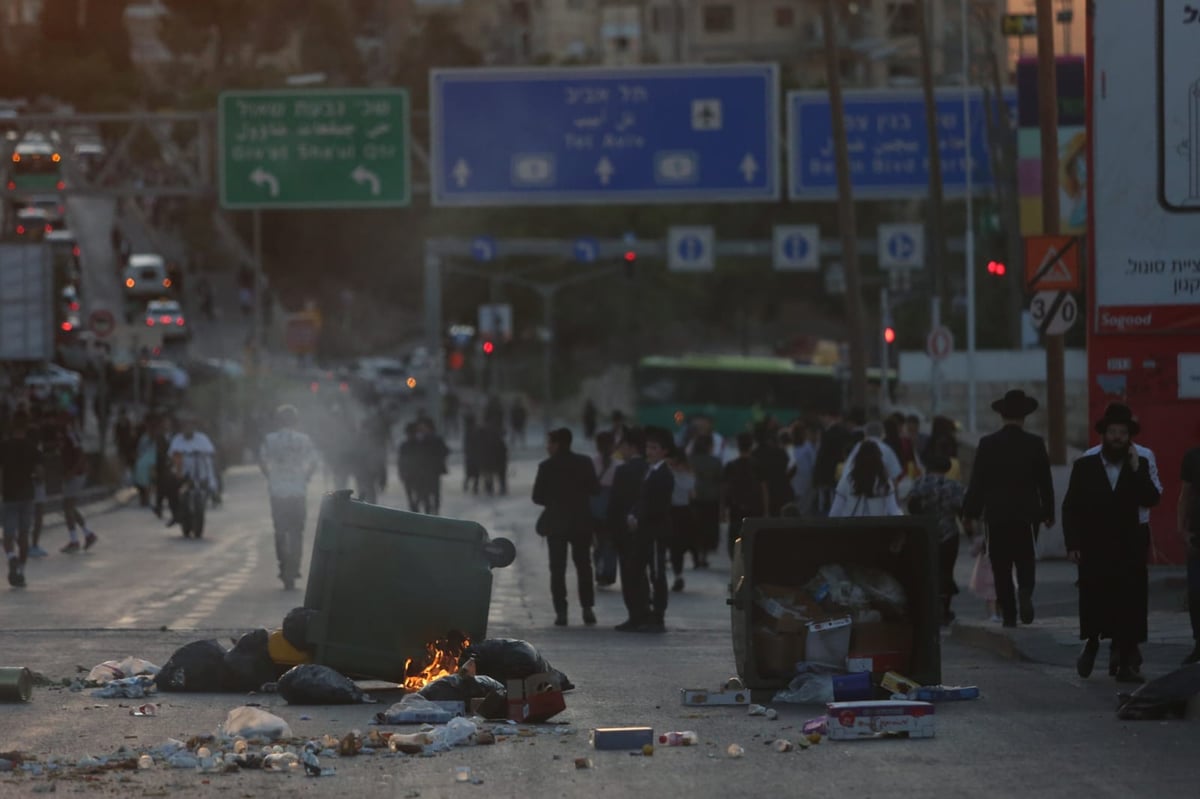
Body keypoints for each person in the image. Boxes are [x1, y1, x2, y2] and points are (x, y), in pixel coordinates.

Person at [1063, 403, 1161, 683]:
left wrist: (1135, 469)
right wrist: (1073, 543)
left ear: (1129, 436)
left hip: (1129, 545)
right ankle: (1092, 644)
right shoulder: (1085, 465)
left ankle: (1127, 660)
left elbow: (1151, 498)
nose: (1117, 437)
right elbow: (1071, 506)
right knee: (1094, 598)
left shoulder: (1139, 462)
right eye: (1113, 432)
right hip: (1094, 545)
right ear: (1103, 434)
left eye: (1122, 432)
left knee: (1130, 602)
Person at [962, 390, 1055, 629]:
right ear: (1025, 417)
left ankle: (1010, 616)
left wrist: (970, 513)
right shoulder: (1035, 444)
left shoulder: (987, 444)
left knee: (1000, 566)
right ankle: (1024, 590)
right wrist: (1048, 512)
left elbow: (977, 482)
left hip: (996, 515)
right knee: (1026, 559)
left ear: (1001, 416)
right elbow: (1045, 481)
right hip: (1027, 514)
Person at [532, 428, 600, 627]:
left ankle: (561, 612)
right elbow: (595, 489)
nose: (547, 447)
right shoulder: (585, 462)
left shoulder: (546, 466)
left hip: (556, 524)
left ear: (559, 444)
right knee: (584, 566)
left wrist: (554, 502)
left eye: (550, 443)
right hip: (581, 522)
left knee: (558, 569)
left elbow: (537, 497)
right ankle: (587, 609)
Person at [259, 405, 320, 590]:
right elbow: (314, 462)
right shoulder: (304, 440)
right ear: (296, 421)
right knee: (297, 531)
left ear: (278, 421)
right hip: (298, 491)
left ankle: (283, 566)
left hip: (277, 491)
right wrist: (306, 477)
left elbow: (261, 460)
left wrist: (270, 477)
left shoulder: (269, 440)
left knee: (280, 529)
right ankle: (294, 568)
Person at [621, 427, 675, 633]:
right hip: (644, 532)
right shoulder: (650, 471)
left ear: (664, 451)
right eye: (648, 447)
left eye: (654, 448)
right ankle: (639, 614)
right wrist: (633, 514)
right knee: (635, 571)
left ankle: (657, 616)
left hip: (654, 533)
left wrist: (638, 518)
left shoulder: (663, 474)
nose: (649, 451)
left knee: (657, 574)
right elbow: (642, 500)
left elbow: (657, 506)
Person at [907, 451, 966, 624]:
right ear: (947, 468)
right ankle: (945, 610)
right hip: (949, 534)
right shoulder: (954, 486)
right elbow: (962, 510)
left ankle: (928, 609)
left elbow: (911, 506)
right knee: (946, 572)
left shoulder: (919, 483)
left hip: (925, 534)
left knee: (927, 570)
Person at [608, 428, 647, 630]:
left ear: (631, 447)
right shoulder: (649, 468)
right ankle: (646, 613)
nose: (619, 449)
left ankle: (635, 615)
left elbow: (615, 504)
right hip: (645, 528)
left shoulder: (624, 471)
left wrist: (610, 530)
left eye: (622, 445)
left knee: (629, 575)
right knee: (643, 574)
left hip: (624, 531)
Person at [2, 411, 42, 587]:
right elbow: (40, 473)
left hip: (9, 495)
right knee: (24, 534)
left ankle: (11, 557)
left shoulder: (4, 446)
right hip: (27, 494)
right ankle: (21, 571)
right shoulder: (32, 447)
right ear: (26, 428)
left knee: (8, 534)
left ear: (12, 427)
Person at [167, 414, 218, 536]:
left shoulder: (202, 439)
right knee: (169, 486)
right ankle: (175, 515)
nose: (187, 429)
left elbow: (211, 452)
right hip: (183, 475)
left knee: (213, 480)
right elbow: (171, 455)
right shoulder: (177, 440)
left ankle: (215, 495)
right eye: (185, 427)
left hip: (200, 474)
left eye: (190, 426)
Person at [721, 432, 768, 559]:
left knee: (735, 537)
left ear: (738, 446)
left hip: (736, 507)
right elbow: (763, 489)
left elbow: (725, 490)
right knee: (752, 537)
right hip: (755, 506)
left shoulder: (730, 466)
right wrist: (766, 508)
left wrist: (723, 509)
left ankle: (736, 562)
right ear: (751, 446)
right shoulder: (757, 465)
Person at [830, 440, 903, 518]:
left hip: (851, 527)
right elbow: (894, 510)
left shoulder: (847, 481)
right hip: (876, 528)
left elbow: (835, 512)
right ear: (878, 460)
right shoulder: (884, 482)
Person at [57, 413, 97, 553]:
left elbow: (81, 456)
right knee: (69, 507)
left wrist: (72, 472)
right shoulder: (62, 435)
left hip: (76, 475)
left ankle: (74, 541)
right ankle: (88, 534)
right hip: (70, 475)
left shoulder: (71, 435)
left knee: (68, 507)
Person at [1179, 437, 1200, 666]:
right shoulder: (1193, 457)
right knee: (1196, 593)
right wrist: (1181, 528)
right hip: (1197, 535)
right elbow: (1185, 494)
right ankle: (1199, 644)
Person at [590, 431, 619, 586]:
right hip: (611, 506)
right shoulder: (618, 465)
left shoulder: (592, 463)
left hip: (594, 506)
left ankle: (599, 570)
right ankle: (608, 572)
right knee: (610, 542)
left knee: (598, 542)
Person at [689, 434, 722, 568]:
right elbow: (721, 481)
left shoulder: (690, 460)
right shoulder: (715, 461)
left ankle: (695, 556)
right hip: (711, 498)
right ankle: (704, 556)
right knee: (708, 527)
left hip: (694, 497)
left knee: (694, 528)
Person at [667, 448, 696, 591]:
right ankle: (678, 573)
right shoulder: (690, 477)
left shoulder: (669, 476)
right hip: (685, 512)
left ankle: (677, 573)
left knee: (673, 545)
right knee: (679, 544)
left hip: (671, 511)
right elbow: (693, 496)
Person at [812, 409, 852, 515]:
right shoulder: (844, 432)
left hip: (826, 473)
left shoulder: (827, 433)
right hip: (839, 470)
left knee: (827, 501)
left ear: (828, 416)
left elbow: (822, 456)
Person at [789, 422, 818, 516]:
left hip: (801, 479)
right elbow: (814, 462)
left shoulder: (806, 445)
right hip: (800, 479)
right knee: (803, 507)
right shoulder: (806, 446)